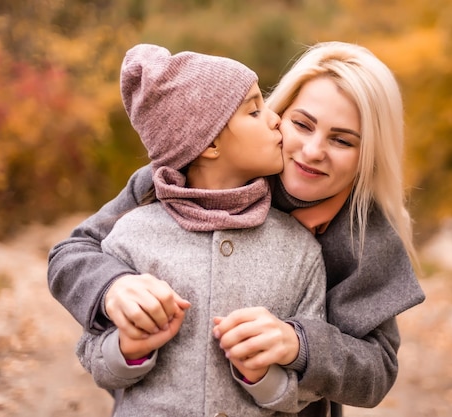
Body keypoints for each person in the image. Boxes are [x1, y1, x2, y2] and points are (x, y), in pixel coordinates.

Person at [48, 41, 425, 417]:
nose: (312, 151)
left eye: (342, 140)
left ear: (369, 154)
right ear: (280, 115)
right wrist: (114, 287)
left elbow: (376, 370)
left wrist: (299, 343)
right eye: (302, 124)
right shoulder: (176, 179)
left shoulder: (364, 231)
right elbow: (73, 252)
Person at [74, 43, 327, 416]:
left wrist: (264, 377)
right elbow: (93, 358)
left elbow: (311, 386)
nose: (276, 119)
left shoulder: (299, 250)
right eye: (255, 111)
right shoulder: (131, 235)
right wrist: (130, 347)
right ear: (208, 143)